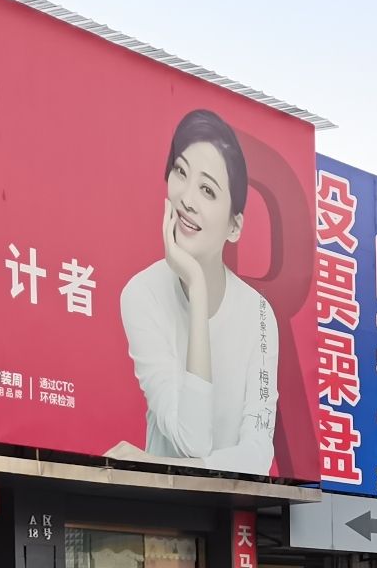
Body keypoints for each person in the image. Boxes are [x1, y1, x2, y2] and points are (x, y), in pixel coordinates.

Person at [119, 109, 279, 477]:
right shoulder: (142, 294)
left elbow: (258, 453)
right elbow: (192, 440)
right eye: (180, 172)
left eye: (207, 190)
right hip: (163, 506)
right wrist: (196, 283)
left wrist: (168, 467)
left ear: (235, 226)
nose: (187, 199)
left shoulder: (258, 314)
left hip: (232, 503)